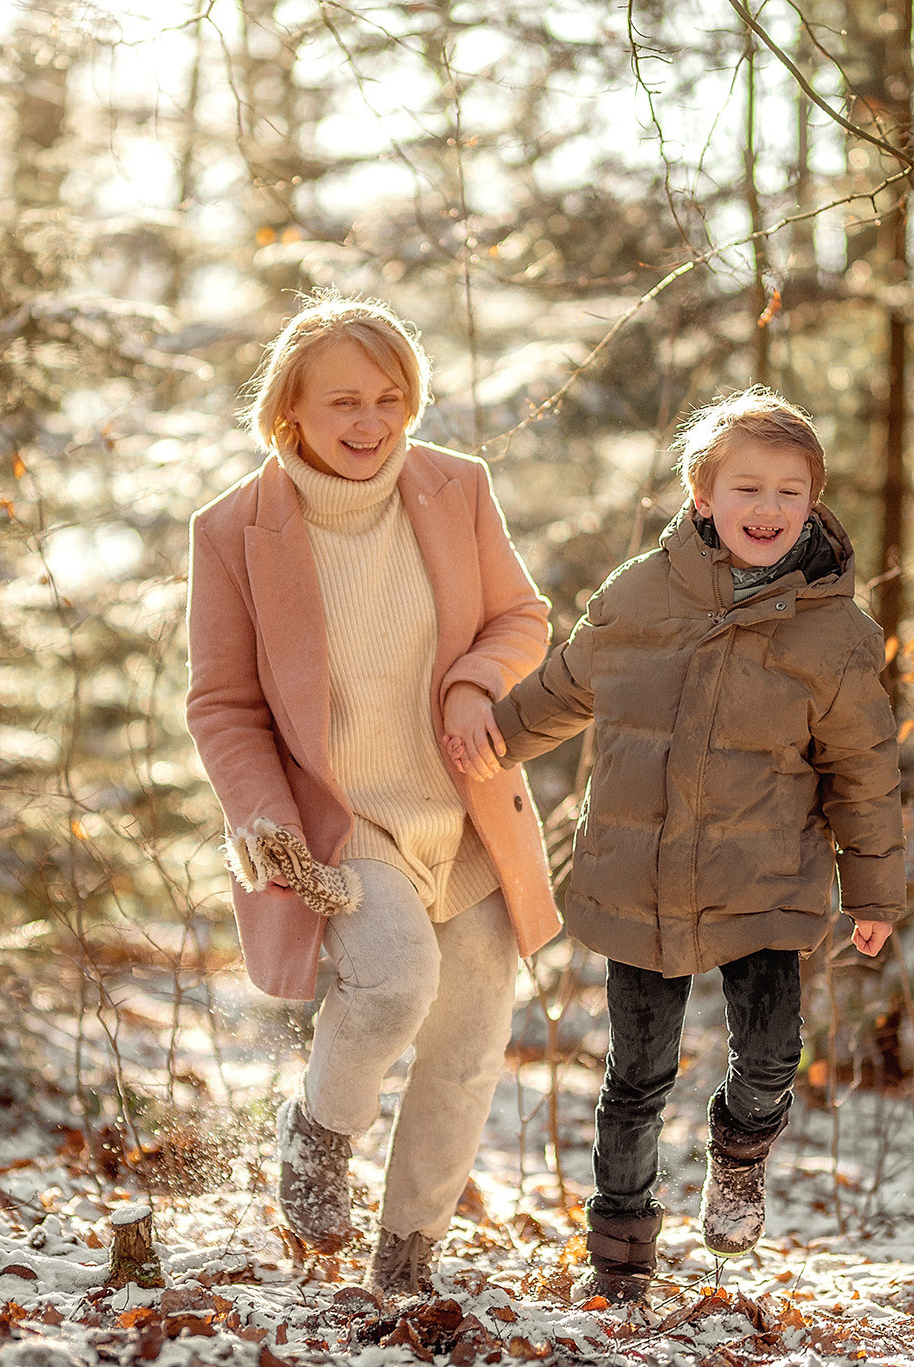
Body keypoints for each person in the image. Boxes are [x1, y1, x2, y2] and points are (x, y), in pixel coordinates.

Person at [472, 387, 906, 1305]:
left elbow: (864, 767)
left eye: (790, 491)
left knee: (772, 1052)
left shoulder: (836, 634)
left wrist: (872, 892)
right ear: (702, 497)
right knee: (637, 1072)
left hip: (765, 877)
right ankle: (620, 1249)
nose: (768, 508)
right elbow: (558, 691)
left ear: (813, 504)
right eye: (746, 487)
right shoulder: (639, 594)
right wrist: (483, 737)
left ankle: (740, 1152)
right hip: (641, 880)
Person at [184, 294, 561, 1298]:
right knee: (392, 980)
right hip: (346, 823)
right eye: (344, 400)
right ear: (289, 413)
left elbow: (522, 614)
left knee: (471, 1038)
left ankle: (407, 1253)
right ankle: (316, 1127)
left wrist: (479, 675)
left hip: (465, 805)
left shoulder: (455, 488)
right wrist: (263, 822)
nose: (372, 421)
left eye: (390, 397)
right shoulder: (232, 530)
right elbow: (221, 703)